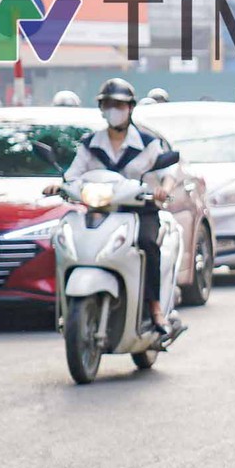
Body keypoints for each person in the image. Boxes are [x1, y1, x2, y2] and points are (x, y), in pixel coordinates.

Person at [46, 78, 178, 335]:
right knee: (65, 240)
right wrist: (59, 186)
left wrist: (164, 190)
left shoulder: (147, 142)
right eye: (108, 104)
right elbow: (73, 175)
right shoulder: (90, 144)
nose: (113, 109)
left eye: (118, 104)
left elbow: (168, 171)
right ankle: (64, 307)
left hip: (139, 211)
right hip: (100, 211)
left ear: (130, 108)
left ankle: (155, 308)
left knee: (148, 244)